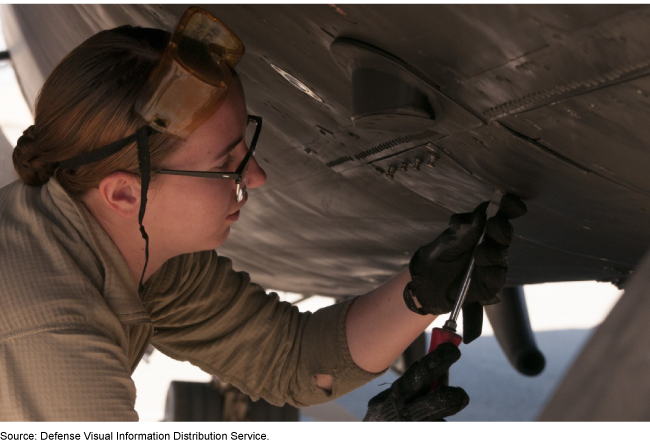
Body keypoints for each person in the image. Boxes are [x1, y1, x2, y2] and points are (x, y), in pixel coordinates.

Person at [0, 6, 524, 421]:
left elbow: (289, 358)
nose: (256, 178)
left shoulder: (138, 248)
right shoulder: (51, 333)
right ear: (124, 194)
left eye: (243, 149)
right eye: (225, 164)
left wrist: (422, 292)